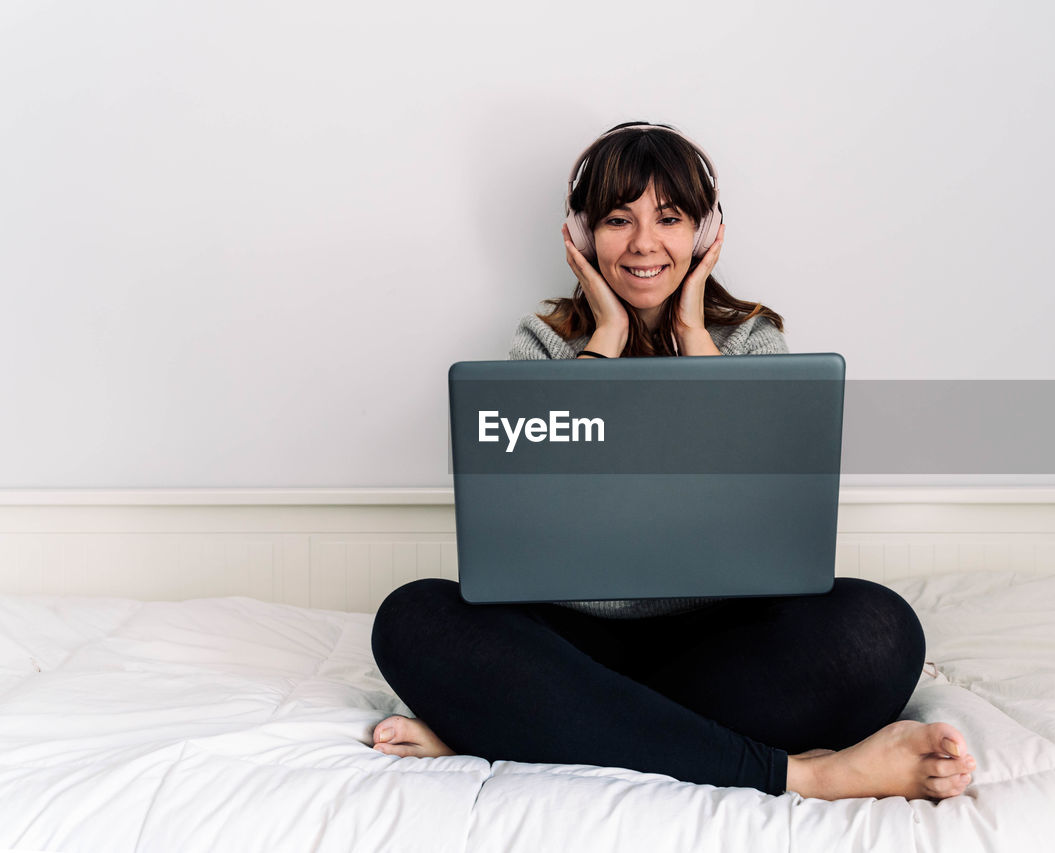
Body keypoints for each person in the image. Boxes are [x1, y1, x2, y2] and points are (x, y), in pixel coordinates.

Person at [370, 122, 976, 800]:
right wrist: (604, 339)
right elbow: (538, 514)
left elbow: (761, 510)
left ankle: (531, 723)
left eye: (669, 217)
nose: (643, 244)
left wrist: (693, 335)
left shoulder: (750, 342)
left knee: (879, 631)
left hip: (720, 638)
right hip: (571, 637)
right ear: (580, 234)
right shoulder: (542, 345)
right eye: (617, 220)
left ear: (705, 229)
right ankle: (801, 773)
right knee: (411, 617)